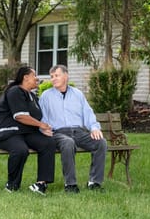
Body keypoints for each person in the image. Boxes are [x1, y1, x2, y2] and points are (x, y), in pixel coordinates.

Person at [0, 66, 55, 195]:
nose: (37, 78)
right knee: (20, 149)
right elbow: (20, 116)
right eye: (34, 75)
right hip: (4, 132)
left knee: (48, 143)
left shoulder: (32, 96)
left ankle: (41, 184)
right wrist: (41, 125)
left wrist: (42, 129)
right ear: (25, 77)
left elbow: (34, 118)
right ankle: (12, 185)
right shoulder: (15, 91)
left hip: (23, 132)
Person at [40, 64, 107, 193]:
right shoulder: (46, 96)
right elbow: (42, 117)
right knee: (68, 143)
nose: (53, 79)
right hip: (59, 133)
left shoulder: (77, 94)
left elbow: (88, 113)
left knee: (101, 143)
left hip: (79, 132)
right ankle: (70, 184)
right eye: (52, 76)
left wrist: (94, 127)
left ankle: (94, 182)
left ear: (66, 76)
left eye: (57, 75)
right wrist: (43, 129)